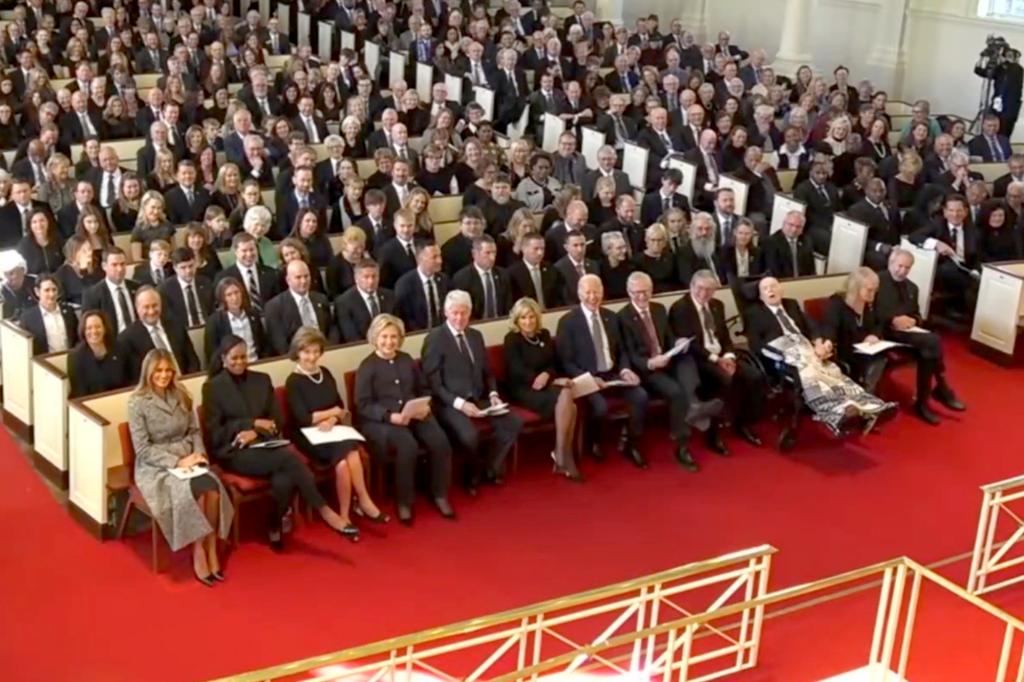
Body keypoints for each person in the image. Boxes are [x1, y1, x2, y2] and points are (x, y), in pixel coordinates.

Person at [202, 335, 356, 549]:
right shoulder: (213, 387)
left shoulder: (261, 380)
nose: (239, 362)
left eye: (243, 357)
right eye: (234, 358)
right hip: (235, 452)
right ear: (223, 358)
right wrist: (252, 423)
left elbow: (277, 421)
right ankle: (326, 511)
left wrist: (256, 432)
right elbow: (215, 432)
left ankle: (273, 524)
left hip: (266, 445)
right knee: (288, 459)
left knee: (283, 478)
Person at [127, 349, 233, 586]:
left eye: (168, 370)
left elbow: (194, 431)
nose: (164, 375)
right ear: (149, 372)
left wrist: (200, 454)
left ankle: (210, 545)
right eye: (158, 371)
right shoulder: (137, 403)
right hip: (156, 467)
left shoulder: (182, 394)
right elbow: (143, 450)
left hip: (189, 458)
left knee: (212, 489)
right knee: (191, 491)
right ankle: (198, 549)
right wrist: (177, 461)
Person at [744, 277, 896, 440]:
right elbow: (756, 345)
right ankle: (839, 412)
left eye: (773, 286)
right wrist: (785, 352)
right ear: (760, 296)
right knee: (812, 375)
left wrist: (818, 343)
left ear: (781, 289)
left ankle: (870, 405)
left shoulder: (791, 304)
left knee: (833, 373)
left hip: (806, 348)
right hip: (782, 354)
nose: (771, 290)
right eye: (765, 289)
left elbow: (812, 326)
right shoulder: (753, 313)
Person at [286, 328, 387, 539]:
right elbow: (303, 418)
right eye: (306, 352)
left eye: (315, 351)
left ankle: (345, 513)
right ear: (298, 352)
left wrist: (332, 418)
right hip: (308, 436)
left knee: (345, 460)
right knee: (349, 450)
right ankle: (363, 501)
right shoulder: (293, 381)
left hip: (332, 430)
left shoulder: (326, 373)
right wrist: (332, 413)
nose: (312, 357)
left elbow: (340, 407)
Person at [619, 271, 726, 469]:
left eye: (646, 292)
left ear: (652, 290)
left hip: (667, 360)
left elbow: (668, 336)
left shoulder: (659, 309)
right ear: (628, 292)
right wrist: (650, 363)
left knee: (687, 358)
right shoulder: (623, 317)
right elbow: (628, 352)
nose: (642, 297)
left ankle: (694, 403)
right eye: (637, 293)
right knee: (676, 393)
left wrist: (678, 341)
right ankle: (682, 445)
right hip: (646, 369)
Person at [355, 314, 455, 524]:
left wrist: (424, 406)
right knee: (407, 445)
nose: (389, 342)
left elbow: (423, 388)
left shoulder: (407, 359)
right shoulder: (367, 366)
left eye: (393, 337)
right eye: (384, 337)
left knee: (440, 441)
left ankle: (439, 494)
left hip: (413, 414)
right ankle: (404, 502)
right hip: (382, 421)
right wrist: (390, 416)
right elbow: (363, 405)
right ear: (375, 337)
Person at [422, 290, 524, 494]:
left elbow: (488, 373)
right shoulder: (435, 338)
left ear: (470, 313)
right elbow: (433, 383)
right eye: (455, 313)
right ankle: (472, 475)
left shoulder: (476, 336)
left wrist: (494, 394)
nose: (459, 318)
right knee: (470, 437)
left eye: (464, 313)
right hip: (450, 403)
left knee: (513, 422)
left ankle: (490, 467)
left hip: (480, 398)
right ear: (446, 313)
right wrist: (460, 404)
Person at [556, 274, 649, 467]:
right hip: (584, 377)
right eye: (588, 292)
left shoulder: (611, 317)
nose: (593, 296)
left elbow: (622, 350)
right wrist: (589, 379)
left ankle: (631, 444)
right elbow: (566, 362)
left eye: (596, 291)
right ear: (579, 293)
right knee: (600, 407)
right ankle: (595, 442)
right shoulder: (568, 321)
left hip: (612, 374)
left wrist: (625, 370)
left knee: (640, 396)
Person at [670, 270, 765, 447]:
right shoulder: (680, 308)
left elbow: (725, 337)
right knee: (723, 379)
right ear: (691, 286)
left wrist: (728, 356)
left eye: (709, 289)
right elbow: (689, 344)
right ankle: (712, 433)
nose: (704, 293)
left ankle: (743, 423)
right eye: (700, 288)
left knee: (755, 377)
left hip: (722, 356)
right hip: (699, 359)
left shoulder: (717, 305)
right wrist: (717, 359)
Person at [875, 248, 965, 425]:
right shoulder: (877, 281)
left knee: (927, 353)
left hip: (909, 334)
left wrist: (912, 321)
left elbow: (917, 315)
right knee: (933, 341)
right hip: (884, 332)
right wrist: (893, 320)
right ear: (890, 263)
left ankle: (923, 403)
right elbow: (871, 312)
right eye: (899, 266)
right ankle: (941, 388)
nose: (902, 271)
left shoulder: (912, 288)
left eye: (907, 268)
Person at [503, 297, 581, 481]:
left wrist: (547, 375)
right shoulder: (512, 339)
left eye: (531, 317)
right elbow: (515, 370)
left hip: (545, 384)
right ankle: (562, 456)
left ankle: (561, 453)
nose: (528, 322)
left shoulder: (544, 334)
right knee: (571, 406)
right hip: (522, 389)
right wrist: (539, 379)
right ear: (517, 321)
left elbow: (553, 364)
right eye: (523, 318)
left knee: (569, 397)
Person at [908, 193, 979, 318]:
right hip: (944, 269)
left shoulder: (972, 229)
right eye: (951, 210)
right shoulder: (937, 224)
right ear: (945, 212)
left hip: (966, 267)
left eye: (959, 211)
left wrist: (977, 271)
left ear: (966, 212)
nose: (955, 215)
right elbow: (913, 237)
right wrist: (936, 243)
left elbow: (977, 254)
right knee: (967, 282)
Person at [821, 268, 888, 393]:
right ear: (856, 288)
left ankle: (867, 392)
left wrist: (874, 335)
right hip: (845, 348)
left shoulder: (871, 303)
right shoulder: (837, 303)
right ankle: (866, 394)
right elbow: (830, 327)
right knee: (873, 359)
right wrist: (828, 341)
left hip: (866, 347)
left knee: (880, 355)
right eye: (869, 290)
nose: (873, 294)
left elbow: (879, 323)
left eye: (875, 290)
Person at [117, 287, 202, 383]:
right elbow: (134, 377)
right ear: (137, 308)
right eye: (146, 307)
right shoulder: (126, 339)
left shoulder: (176, 326)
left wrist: (190, 381)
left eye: (155, 305)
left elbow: (193, 360)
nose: (151, 311)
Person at [263, 259, 335, 355]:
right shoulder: (274, 307)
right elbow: (280, 343)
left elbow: (332, 329)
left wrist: (330, 350)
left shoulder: (321, 299)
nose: (304, 281)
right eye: (298, 277)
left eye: (306, 276)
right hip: (296, 357)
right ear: (288, 280)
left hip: (325, 352)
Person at [204, 277, 269, 364]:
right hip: (231, 366)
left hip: (256, 361)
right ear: (222, 298)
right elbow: (212, 353)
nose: (234, 298)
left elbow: (263, 344)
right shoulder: (214, 321)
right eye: (229, 295)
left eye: (236, 293)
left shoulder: (253, 315)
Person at [68, 310, 130, 399]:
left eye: (98, 327)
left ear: (105, 328)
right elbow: (80, 393)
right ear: (83, 331)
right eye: (89, 328)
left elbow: (129, 380)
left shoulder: (120, 349)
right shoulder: (75, 357)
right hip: (91, 406)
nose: (94, 331)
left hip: (121, 400)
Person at [334, 258, 396, 343]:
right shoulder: (344, 302)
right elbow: (350, 336)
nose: (371, 281)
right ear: (356, 278)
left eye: (374, 276)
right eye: (366, 277)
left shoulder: (390, 296)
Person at [451, 235, 512, 320]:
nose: (492, 257)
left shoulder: (503, 274)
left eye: (494, 253)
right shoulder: (462, 278)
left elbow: (508, 305)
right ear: (474, 254)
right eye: (487, 253)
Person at [19, 274, 78, 355]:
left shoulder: (69, 312)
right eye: (47, 290)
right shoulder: (28, 318)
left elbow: (77, 338)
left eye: (54, 290)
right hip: (43, 363)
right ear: (37, 292)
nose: (52, 294)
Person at [763, 210, 815, 278]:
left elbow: (811, 269)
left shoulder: (806, 242)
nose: (794, 229)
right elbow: (773, 271)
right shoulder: (771, 242)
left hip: (802, 283)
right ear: (784, 224)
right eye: (791, 225)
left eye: (798, 227)